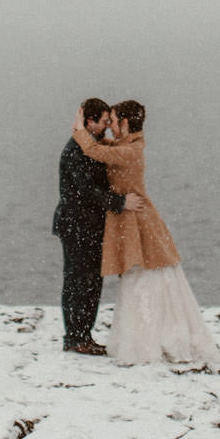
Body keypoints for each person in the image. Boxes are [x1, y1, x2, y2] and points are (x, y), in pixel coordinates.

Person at [70, 100, 220, 366]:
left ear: (126, 123)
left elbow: (95, 149)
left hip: (138, 220)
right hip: (130, 219)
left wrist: (78, 127)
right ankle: (143, 337)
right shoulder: (125, 146)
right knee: (138, 275)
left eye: (114, 121)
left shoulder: (131, 150)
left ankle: (150, 339)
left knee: (144, 273)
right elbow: (103, 147)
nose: (110, 127)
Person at [52, 97, 146, 354]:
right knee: (78, 281)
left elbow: (110, 152)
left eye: (109, 121)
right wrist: (120, 202)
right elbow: (85, 191)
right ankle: (75, 337)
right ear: (90, 121)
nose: (107, 126)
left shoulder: (90, 144)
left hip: (88, 226)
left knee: (90, 281)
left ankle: (83, 335)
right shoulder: (76, 151)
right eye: (104, 121)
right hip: (77, 225)